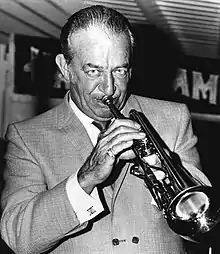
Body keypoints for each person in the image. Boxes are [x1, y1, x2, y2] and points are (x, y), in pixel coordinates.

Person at [0, 5, 211, 254]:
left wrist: (161, 169)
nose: (109, 88)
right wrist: (86, 177)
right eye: (94, 71)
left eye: (119, 70)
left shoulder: (172, 117)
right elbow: (18, 237)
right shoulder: (27, 137)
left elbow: (201, 207)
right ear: (65, 68)